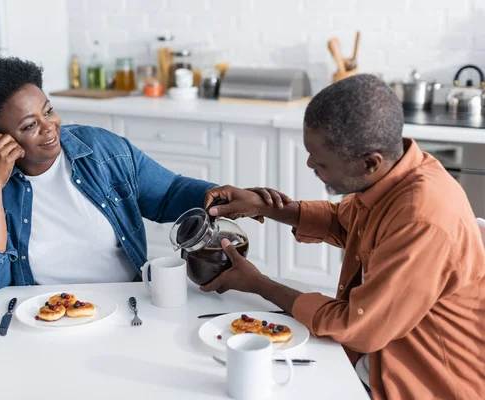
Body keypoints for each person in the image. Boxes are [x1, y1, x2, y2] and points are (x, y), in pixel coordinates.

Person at [202, 74, 485, 399]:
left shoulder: (421, 218)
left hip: (417, 382)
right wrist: (261, 206)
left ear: (370, 163)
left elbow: (355, 327)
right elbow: (344, 222)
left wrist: (260, 284)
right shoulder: (397, 177)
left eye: (320, 162)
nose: (310, 164)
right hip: (372, 357)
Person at [0, 57, 217, 295]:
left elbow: (168, 194)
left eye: (48, 111)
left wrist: (225, 197)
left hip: (126, 302)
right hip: (44, 313)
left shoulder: (100, 149)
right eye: (30, 125)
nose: (50, 127)